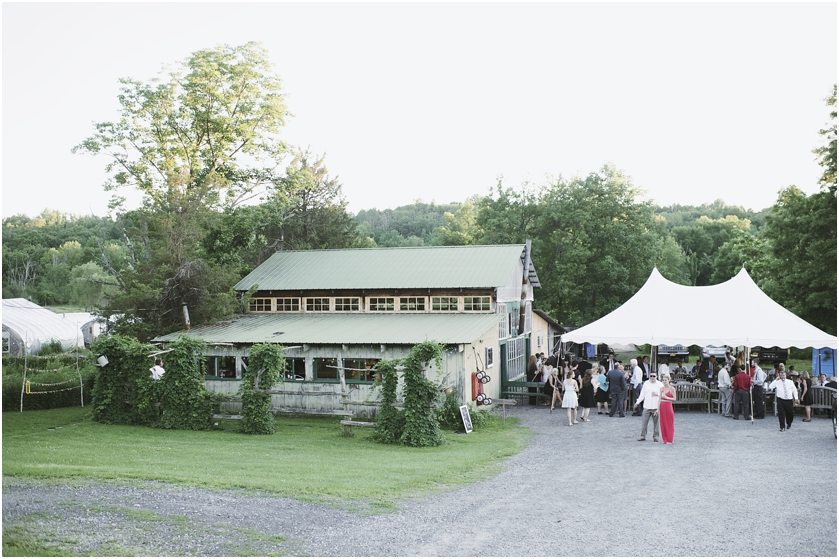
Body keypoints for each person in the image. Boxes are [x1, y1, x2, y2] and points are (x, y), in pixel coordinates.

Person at [634, 371, 663, 442]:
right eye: (651, 376)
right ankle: (642, 436)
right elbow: (642, 394)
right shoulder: (646, 383)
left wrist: (657, 394)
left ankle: (656, 436)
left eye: (654, 376)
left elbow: (664, 394)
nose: (652, 377)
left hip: (656, 406)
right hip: (647, 406)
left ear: (657, 377)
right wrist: (637, 402)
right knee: (644, 422)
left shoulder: (660, 384)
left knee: (656, 423)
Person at [768, 365, 799, 432]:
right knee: (781, 414)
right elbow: (770, 387)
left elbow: (794, 390)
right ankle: (782, 427)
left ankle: (789, 423)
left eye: (783, 375)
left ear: (786, 375)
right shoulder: (777, 382)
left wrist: (796, 398)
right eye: (781, 375)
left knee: (790, 413)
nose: (782, 377)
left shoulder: (790, 382)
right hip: (780, 400)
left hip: (789, 400)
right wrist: (776, 380)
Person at [658, 373, 677, 444]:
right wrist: (657, 408)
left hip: (668, 405)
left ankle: (670, 439)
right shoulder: (661, 389)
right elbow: (659, 399)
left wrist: (667, 397)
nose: (664, 381)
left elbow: (674, 399)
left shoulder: (672, 389)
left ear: (669, 380)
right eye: (663, 380)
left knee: (669, 422)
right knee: (662, 423)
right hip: (662, 406)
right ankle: (665, 439)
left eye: (665, 380)